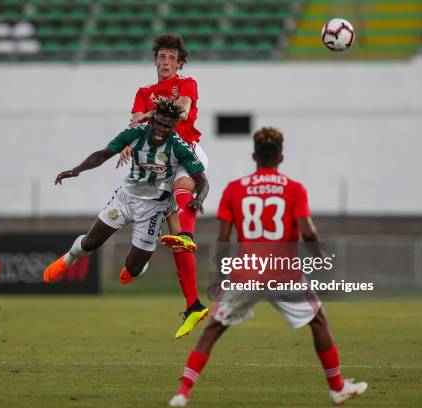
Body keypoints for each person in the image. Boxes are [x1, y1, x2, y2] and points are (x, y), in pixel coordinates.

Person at [169, 127, 367, 407]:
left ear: (254, 156)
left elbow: (223, 240)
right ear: (281, 157)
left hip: (246, 272)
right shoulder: (294, 189)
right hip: (284, 272)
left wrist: (220, 277)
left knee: (214, 329)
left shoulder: (235, 189)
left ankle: (182, 393)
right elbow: (308, 232)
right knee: (318, 321)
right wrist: (318, 252)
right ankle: (337, 387)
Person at [43, 98, 209, 296]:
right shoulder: (135, 134)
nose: (161, 129)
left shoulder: (179, 147)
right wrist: (77, 170)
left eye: (167, 126)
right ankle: (69, 259)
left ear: (174, 126)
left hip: (154, 209)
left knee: (133, 269)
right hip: (125, 199)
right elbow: (103, 154)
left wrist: (199, 198)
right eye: (158, 123)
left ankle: (138, 263)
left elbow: (202, 180)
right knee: (91, 243)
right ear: (152, 120)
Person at [118, 33, 208, 339]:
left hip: (187, 151)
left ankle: (187, 233)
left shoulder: (187, 83)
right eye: (161, 57)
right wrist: (131, 142)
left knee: (184, 189)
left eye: (171, 57)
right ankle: (194, 305)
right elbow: (134, 123)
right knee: (176, 245)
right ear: (155, 60)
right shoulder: (144, 91)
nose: (165, 62)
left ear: (179, 62)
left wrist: (149, 117)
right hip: (160, 166)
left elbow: (181, 110)